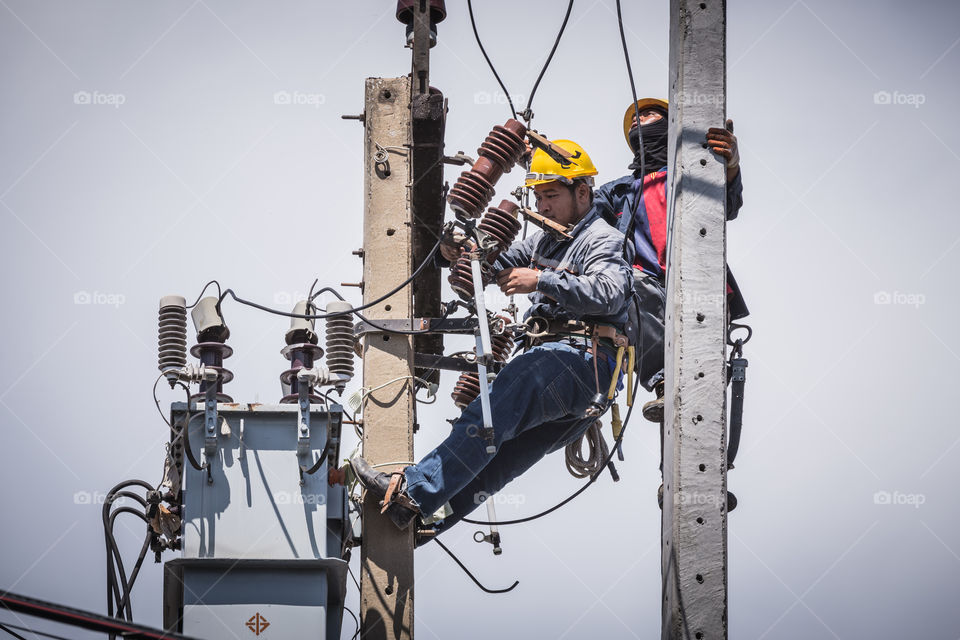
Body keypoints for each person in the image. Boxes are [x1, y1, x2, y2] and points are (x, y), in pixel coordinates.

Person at [350, 139, 634, 532]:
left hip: (579, 359)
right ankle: (422, 522)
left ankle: (413, 492)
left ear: (582, 192)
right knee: (497, 461)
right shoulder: (546, 240)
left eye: (551, 195)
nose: (543, 206)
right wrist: (462, 252)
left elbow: (610, 292)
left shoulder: (601, 238)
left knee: (488, 415)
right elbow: (497, 260)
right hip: (572, 382)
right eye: (538, 197)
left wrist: (543, 280)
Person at [594, 98, 749, 423]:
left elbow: (729, 205)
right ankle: (667, 383)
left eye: (649, 114)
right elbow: (580, 224)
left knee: (700, 404)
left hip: (698, 290)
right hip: (644, 290)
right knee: (624, 285)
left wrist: (730, 163)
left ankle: (682, 457)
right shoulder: (618, 192)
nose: (639, 120)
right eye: (635, 118)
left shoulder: (695, 174)